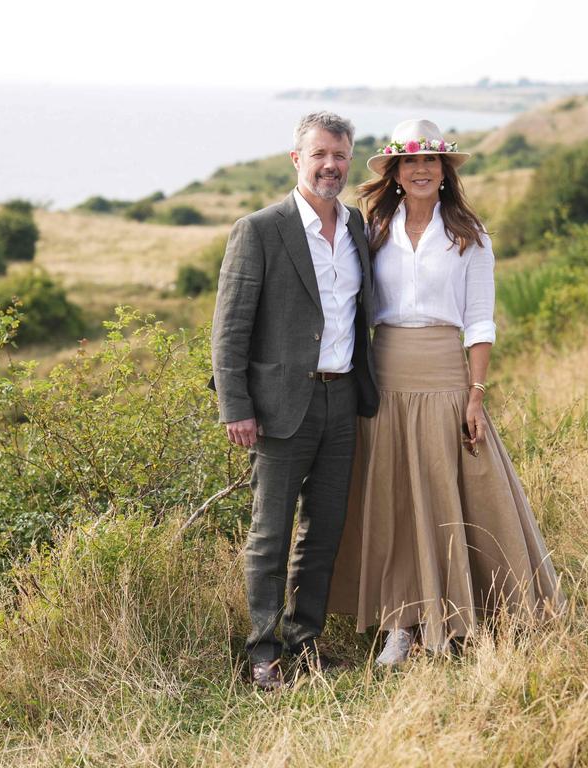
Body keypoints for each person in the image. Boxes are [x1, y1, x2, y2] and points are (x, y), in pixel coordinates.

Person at [328, 119, 565, 665]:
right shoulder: (372, 229)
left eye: (430, 161)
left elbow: (479, 322)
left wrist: (475, 393)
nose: (420, 170)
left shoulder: (469, 235)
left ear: (444, 171)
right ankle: (401, 624)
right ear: (393, 172)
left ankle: (465, 612)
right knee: (394, 498)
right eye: (410, 162)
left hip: (443, 374)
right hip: (384, 373)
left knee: (446, 493)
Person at [210, 111, 379, 689]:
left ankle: (306, 643)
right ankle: (263, 651)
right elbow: (229, 329)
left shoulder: (357, 226)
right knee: (271, 532)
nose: (331, 165)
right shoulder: (259, 229)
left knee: (324, 530)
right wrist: (236, 406)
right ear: (297, 159)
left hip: (342, 400)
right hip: (280, 406)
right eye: (320, 155)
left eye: (340, 155)